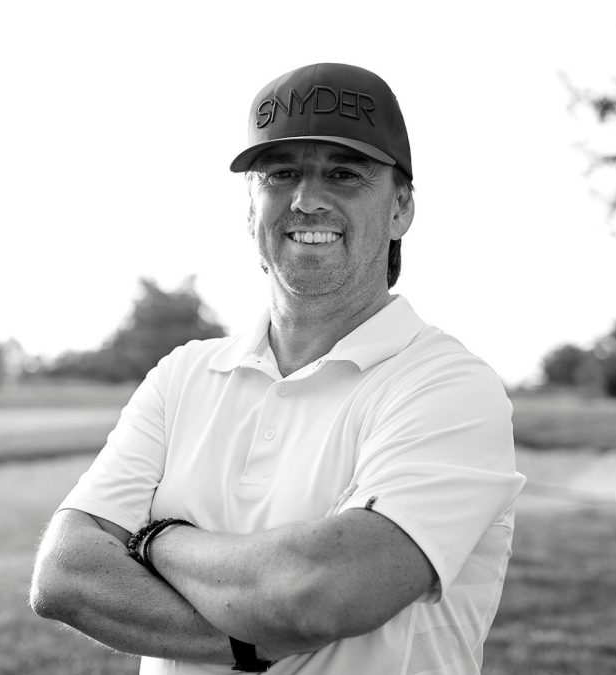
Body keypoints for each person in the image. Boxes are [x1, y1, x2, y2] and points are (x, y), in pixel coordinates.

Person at [30, 63, 526, 674]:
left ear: (401, 208)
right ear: (250, 209)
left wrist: (155, 539)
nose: (307, 199)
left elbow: (322, 593)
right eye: (281, 173)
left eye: (344, 174)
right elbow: (64, 574)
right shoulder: (183, 374)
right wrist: (253, 641)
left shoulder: (449, 386)